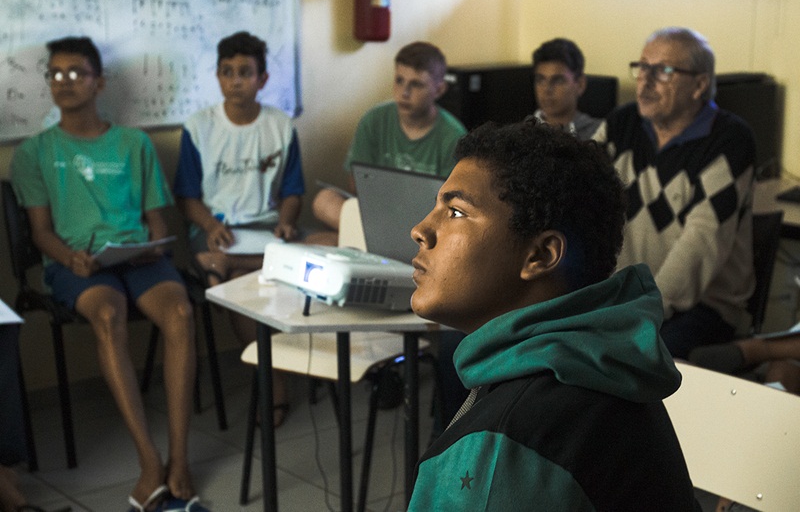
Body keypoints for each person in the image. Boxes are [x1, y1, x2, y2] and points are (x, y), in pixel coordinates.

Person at [407, 121, 698, 511]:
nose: (420, 230)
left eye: (456, 212)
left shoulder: (510, 447)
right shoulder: (594, 362)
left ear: (540, 255)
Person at [10, 37, 207, 512]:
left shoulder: (134, 143)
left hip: (137, 258)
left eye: (76, 73)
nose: (64, 82)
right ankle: (149, 461)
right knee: (107, 314)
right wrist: (70, 257)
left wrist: (153, 246)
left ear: (98, 82)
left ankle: (180, 459)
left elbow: (157, 221)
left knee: (181, 313)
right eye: (55, 74)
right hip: (78, 266)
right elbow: (41, 233)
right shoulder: (34, 152)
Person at [594, 27, 756, 360]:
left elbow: (699, 246)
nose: (645, 81)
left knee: (627, 363)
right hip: (622, 301)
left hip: (701, 308)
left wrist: (637, 313)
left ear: (699, 85)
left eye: (663, 71)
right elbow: (574, 190)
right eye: (642, 68)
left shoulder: (729, 141)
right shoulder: (620, 124)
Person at [173, 31, 304, 426]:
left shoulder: (280, 126)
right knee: (232, 280)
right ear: (217, 76)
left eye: (245, 72)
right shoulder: (199, 127)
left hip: (265, 230)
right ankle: (274, 379)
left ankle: (234, 268)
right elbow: (187, 198)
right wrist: (210, 224)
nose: (235, 81)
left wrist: (286, 221)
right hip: (218, 232)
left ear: (262, 79)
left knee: (315, 250)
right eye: (227, 72)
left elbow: (293, 191)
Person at [309, 41, 466, 245]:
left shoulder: (453, 135)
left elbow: (450, 204)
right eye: (399, 81)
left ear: (439, 89)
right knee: (324, 200)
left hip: (422, 221)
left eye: (416, 84)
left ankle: (370, 241)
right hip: (377, 214)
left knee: (324, 241)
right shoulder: (374, 120)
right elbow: (356, 183)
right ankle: (382, 242)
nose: (404, 92)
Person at [525, 37, 600, 140]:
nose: (547, 89)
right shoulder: (521, 133)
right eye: (540, 80)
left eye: (558, 80)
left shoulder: (601, 133)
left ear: (580, 84)